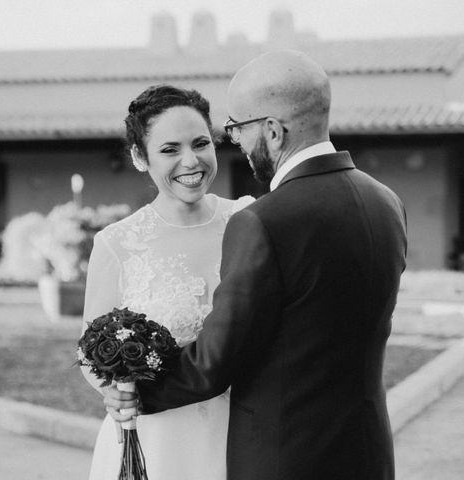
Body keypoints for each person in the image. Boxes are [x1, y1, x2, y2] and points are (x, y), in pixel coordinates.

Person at [129, 50, 408, 480]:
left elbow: (213, 363)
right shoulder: (386, 202)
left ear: (273, 131)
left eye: (238, 128)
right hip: (367, 454)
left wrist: (134, 391)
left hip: (284, 459)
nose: (236, 142)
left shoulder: (262, 221)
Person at [80, 84, 253, 480]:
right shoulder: (118, 244)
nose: (191, 161)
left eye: (201, 143)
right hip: (158, 441)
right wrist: (112, 390)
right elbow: (91, 349)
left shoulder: (249, 219)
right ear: (141, 157)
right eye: (170, 149)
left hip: (243, 431)